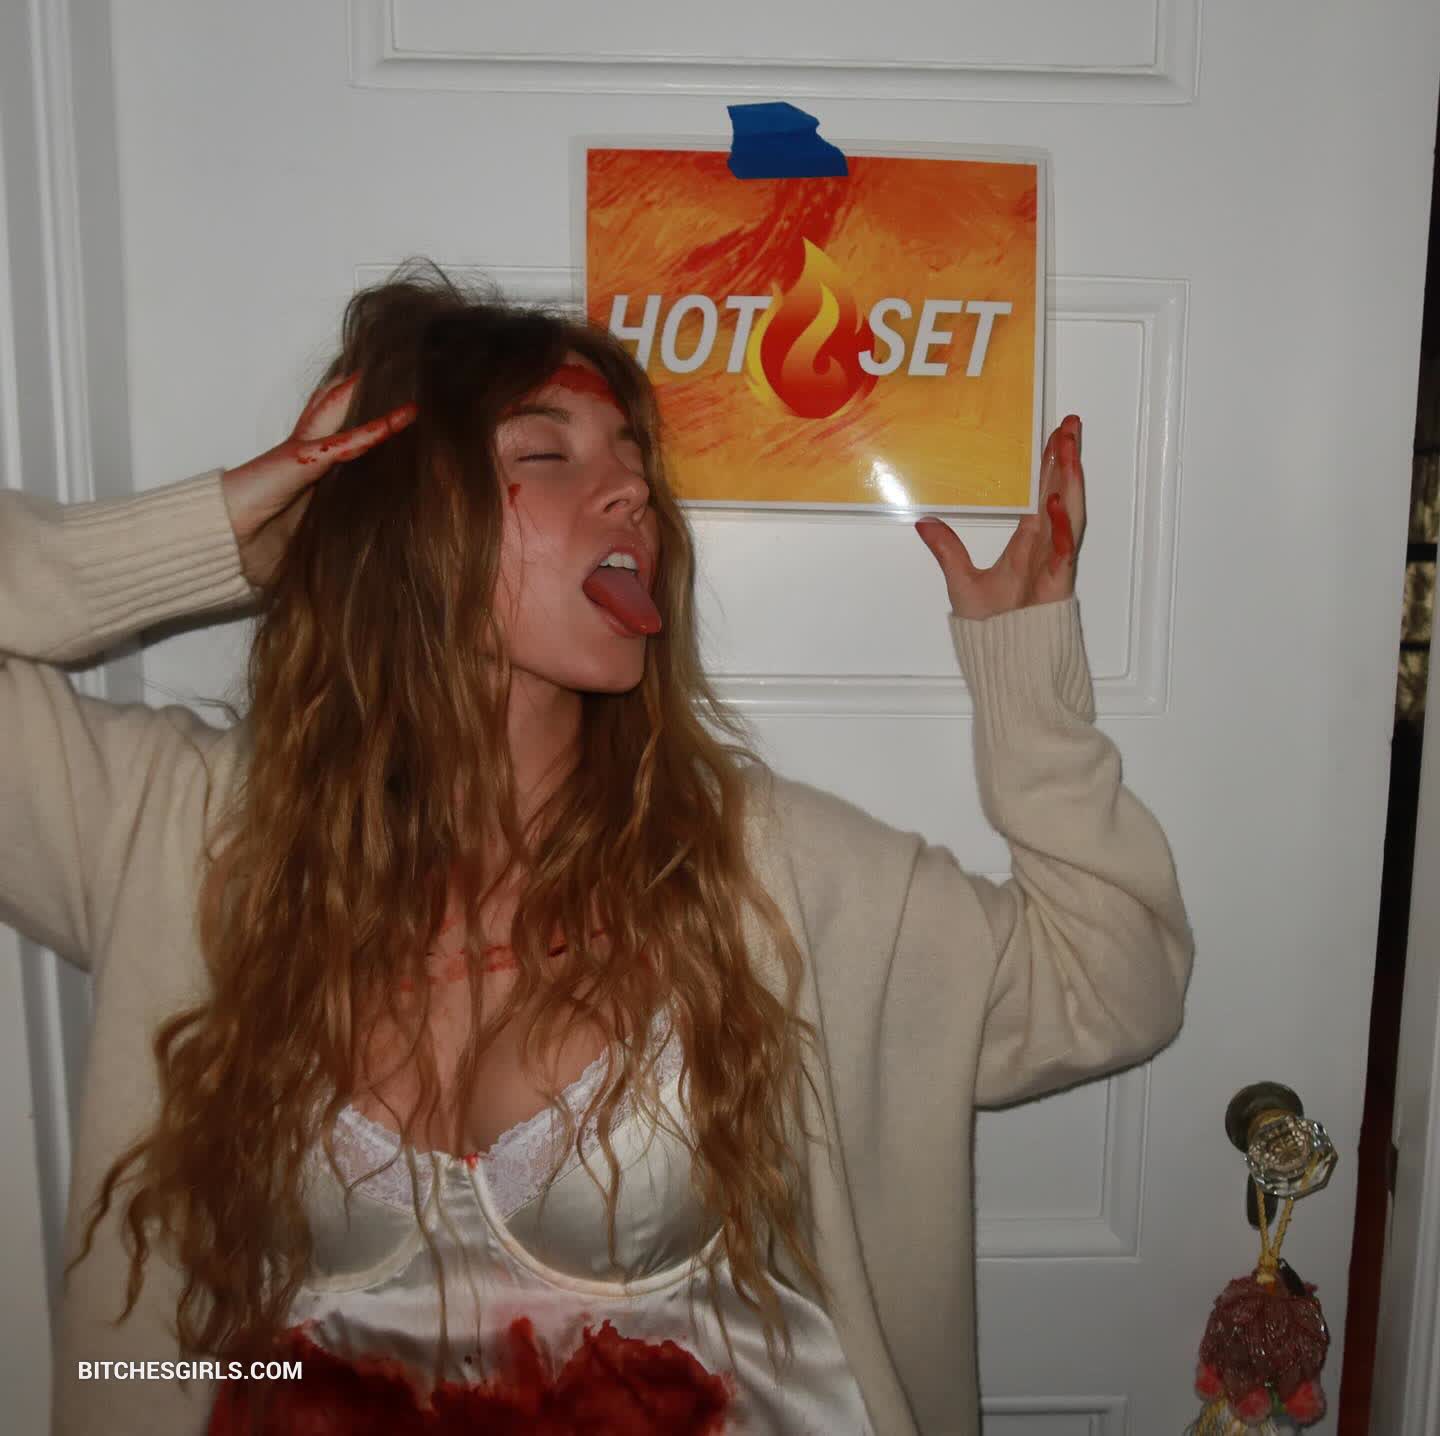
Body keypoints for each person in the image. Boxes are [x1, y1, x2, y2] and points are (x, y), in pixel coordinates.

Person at [0, 265, 1193, 1435]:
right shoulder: (187, 833)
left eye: (633, 460)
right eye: (547, 452)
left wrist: (1027, 685)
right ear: (406, 521)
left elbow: (1111, 978)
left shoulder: (753, 870)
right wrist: (225, 531)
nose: (631, 492)